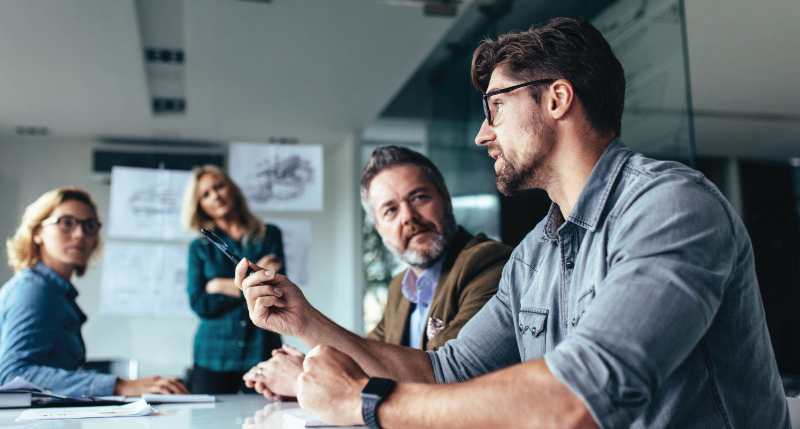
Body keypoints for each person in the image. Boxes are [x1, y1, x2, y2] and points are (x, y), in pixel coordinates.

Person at [235, 16, 790, 428]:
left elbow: (580, 399)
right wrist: (304, 322)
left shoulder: (671, 207)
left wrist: (364, 403)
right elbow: (444, 371)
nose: (482, 134)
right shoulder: (534, 255)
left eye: (495, 107)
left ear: (557, 99)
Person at [241, 146, 511, 399]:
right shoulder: (400, 288)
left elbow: (444, 378)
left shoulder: (488, 264)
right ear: (379, 228)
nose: (408, 216)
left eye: (418, 197)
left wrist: (304, 378)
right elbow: (366, 361)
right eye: (390, 210)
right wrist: (309, 359)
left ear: (446, 198)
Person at [0, 186, 188, 397]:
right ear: (37, 233)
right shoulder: (33, 289)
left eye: (89, 226)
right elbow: (14, 376)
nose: (80, 234)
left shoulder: (57, 292)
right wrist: (119, 385)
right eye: (66, 223)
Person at [182, 165, 284, 394]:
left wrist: (218, 285)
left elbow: (274, 291)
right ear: (200, 206)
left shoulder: (269, 235)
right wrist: (251, 285)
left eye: (219, 187)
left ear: (231, 189)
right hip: (213, 355)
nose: (215, 195)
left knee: (265, 421)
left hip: (261, 349)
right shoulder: (199, 248)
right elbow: (200, 303)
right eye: (205, 194)